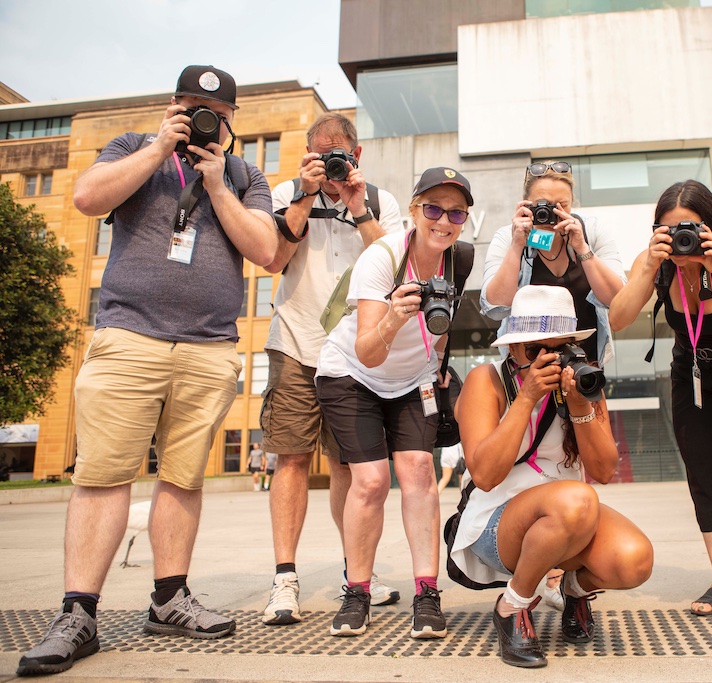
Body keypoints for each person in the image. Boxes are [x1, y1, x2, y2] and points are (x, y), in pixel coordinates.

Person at [17, 65, 277, 677]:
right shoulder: (134, 147)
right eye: (192, 106)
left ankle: (169, 598)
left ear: (232, 119)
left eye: (215, 111)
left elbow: (266, 250)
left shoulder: (244, 175)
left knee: (184, 479)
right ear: (173, 105)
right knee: (104, 475)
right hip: (129, 336)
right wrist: (163, 145)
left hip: (208, 346)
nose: (204, 118)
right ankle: (78, 613)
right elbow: (86, 198)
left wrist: (216, 185)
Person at [450, 285, 654, 668]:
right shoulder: (487, 380)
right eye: (534, 351)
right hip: (498, 520)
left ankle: (571, 590)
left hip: (569, 517)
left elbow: (604, 470)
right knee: (577, 500)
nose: (549, 361)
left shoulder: (583, 382)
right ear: (512, 349)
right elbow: (485, 474)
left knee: (634, 561)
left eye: (560, 350)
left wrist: (580, 406)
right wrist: (526, 399)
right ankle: (513, 605)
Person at [316, 166, 475, 640]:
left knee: (421, 474)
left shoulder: (459, 260)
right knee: (369, 481)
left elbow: (443, 326)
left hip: (413, 380)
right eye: (433, 208)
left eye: (456, 212)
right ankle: (357, 592)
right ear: (413, 210)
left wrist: (439, 364)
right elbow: (367, 347)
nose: (443, 221)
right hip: (353, 373)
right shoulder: (382, 258)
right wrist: (394, 318)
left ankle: (427, 592)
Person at [609, 180, 712, 623]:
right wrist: (648, 266)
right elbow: (618, 318)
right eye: (669, 230)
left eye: (691, 229)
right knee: (702, 466)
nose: (681, 240)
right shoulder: (658, 263)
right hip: (692, 369)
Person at [260, 112, 402, 627]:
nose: (329, 162)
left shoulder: (380, 201)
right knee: (291, 458)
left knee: (347, 465)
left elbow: (396, 264)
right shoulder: (285, 193)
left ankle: (354, 575)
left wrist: (357, 206)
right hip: (296, 341)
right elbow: (273, 260)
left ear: (356, 155)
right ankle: (284, 579)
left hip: (353, 353)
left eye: (336, 153)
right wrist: (304, 192)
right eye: (318, 154)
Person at [480, 160, 625, 366]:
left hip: (585, 366)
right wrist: (516, 245)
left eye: (562, 205)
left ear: (572, 203)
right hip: (527, 367)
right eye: (543, 204)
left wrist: (582, 248)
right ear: (525, 203)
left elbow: (618, 300)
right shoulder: (507, 237)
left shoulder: (591, 232)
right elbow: (495, 307)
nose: (551, 213)